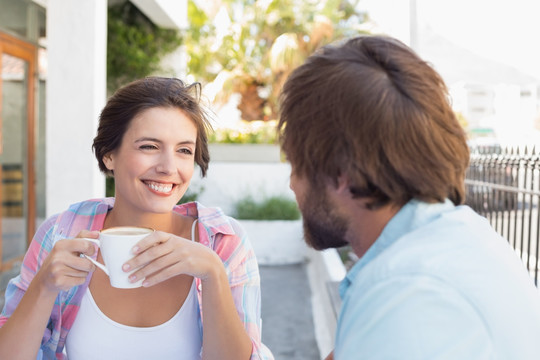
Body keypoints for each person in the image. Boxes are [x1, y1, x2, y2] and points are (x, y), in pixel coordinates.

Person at [278, 35, 540, 359]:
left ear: (340, 172)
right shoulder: (461, 237)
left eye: (295, 165)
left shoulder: (405, 293)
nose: (292, 184)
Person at [0, 77, 273, 360]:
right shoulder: (61, 233)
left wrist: (213, 273)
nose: (168, 167)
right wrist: (44, 286)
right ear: (109, 155)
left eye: (184, 150)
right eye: (149, 147)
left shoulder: (223, 242)